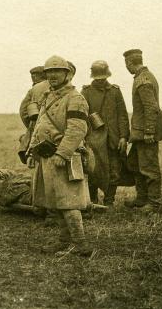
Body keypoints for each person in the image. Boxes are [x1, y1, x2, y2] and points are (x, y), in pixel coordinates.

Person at [27, 55, 93, 257]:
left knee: (69, 202)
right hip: (47, 156)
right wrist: (32, 151)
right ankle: (64, 241)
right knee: (55, 202)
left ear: (67, 74)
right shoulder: (49, 96)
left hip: (65, 157)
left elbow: (77, 129)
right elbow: (39, 125)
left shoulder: (75, 98)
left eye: (57, 71)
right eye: (49, 72)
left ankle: (81, 245)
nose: (53, 75)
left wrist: (63, 154)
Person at [123, 49, 162, 208]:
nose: (126, 67)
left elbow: (151, 107)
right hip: (140, 132)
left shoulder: (143, 80)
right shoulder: (144, 77)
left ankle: (154, 203)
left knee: (149, 167)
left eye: (126, 64)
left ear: (129, 63)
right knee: (134, 164)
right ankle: (142, 198)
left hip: (145, 133)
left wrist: (149, 131)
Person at [81, 60, 130, 205]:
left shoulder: (115, 91)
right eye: (98, 78)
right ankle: (93, 201)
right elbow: (82, 117)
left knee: (115, 170)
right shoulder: (86, 92)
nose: (101, 81)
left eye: (103, 78)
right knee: (93, 171)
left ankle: (109, 201)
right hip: (94, 140)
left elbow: (122, 115)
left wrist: (123, 137)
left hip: (113, 140)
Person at [17, 66, 48, 164]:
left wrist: (31, 126)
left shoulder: (34, 89)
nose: (33, 77)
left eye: (35, 75)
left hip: (37, 128)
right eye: (32, 75)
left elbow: (23, 111)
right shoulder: (52, 86)